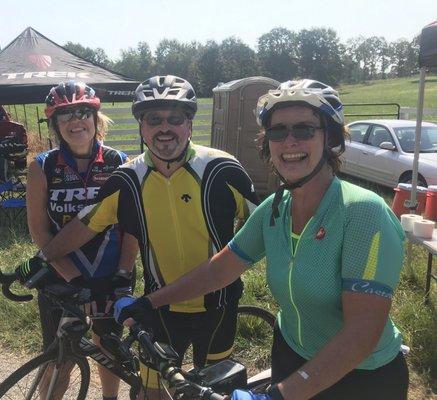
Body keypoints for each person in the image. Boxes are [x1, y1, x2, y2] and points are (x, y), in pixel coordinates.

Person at [115, 79, 409, 400]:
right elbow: (221, 269)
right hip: (291, 355)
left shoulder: (363, 212)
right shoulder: (277, 208)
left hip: (361, 377)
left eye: (304, 130)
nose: (289, 141)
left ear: (330, 139)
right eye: (277, 131)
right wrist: (149, 302)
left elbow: (361, 334)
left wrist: (279, 396)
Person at [37, 75, 259, 398]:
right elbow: (84, 227)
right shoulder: (127, 180)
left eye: (175, 119)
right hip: (158, 310)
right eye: (154, 119)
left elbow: (266, 228)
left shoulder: (223, 169)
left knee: (213, 392)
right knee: (151, 394)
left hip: (219, 308)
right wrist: (41, 258)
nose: (164, 128)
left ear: (190, 124)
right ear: (142, 127)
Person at [25, 81, 139, 400]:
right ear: (55, 125)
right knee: (60, 356)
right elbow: (40, 232)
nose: (76, 122)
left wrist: (123, 274)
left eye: (82, 112)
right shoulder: (42, 167)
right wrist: (74, 279)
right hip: (63, 275)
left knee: (109, 347)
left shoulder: (120, 162)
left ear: (95, 117)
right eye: (65, 116)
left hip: (110, 271)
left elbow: (132, 226)